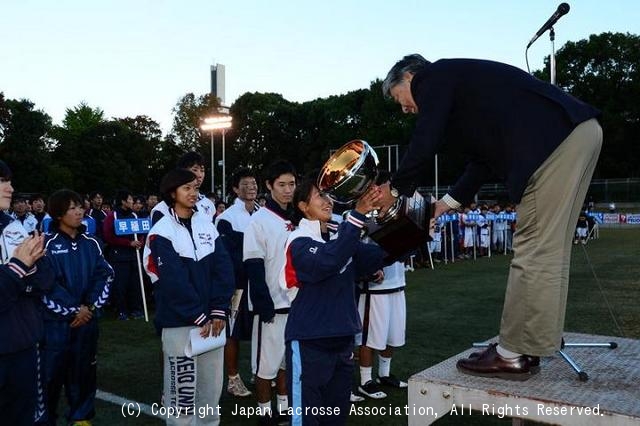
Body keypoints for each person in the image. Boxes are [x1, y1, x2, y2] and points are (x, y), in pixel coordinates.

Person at [378, 54, 602, 380]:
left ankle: (510, 354)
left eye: (400, 98)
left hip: (553, 144)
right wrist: (443, 205)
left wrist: (395, 191)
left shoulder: (432, 76)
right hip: (577, 134)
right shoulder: (464, 93)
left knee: (533, 248)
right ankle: (529, 347)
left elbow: (425, 139)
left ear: (410, 78)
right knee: (549, 250)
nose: (405, 109)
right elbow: (481, 164)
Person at [280, 179, 384, 425]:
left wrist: (416, 230)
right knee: (307, 419)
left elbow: (378, 256)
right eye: (319, 196)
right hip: (309, 342)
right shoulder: (298, 240)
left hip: (342, 340)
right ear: (303, 206)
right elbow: (329, 261)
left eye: (328, 196)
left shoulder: (338, 236)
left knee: (335, 419)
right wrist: (357, 214)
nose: (328, 201)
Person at [144, 169, 234, 426]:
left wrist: (218, 309)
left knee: (209, 397)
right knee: (181, 401)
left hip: (212, 323)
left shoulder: (207, 224)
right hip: (180, 323)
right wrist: (198, 313)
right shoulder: (161, 231)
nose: (193, 193)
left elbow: (223, 268)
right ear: (172, 193)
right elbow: (172, 280)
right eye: (186, 188)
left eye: (195, 188)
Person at [36, 189, 114, 426]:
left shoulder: (92, 243)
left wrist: (88, 307)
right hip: (54, 326)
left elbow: (105, 275)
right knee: (50, 376)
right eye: (72, 207)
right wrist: (73, 310)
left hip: (87, 323)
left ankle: (81, 416)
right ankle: (45, 419)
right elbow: (44, 285)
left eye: (80, 206)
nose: (79, 211)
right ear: (58, 214)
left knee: (84, 372)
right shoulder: (45, 244)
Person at [243, 161, 297, 425]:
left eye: (292, 184)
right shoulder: (259, 220)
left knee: (286, 362)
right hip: (272, 305)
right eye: (282, 185)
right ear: (269, 186)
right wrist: (264, 304)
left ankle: (284, 407)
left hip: (296, 304)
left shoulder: (297, 218)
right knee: (266, 365)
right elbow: (253, 265)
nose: (288, 190)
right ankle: (264, 412)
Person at [0, 160, 54, 426]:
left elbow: (45, 277)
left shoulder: (13, 227)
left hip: (23, 345)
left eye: (9, 180)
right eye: (2, 181)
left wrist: (19, 278)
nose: (10, 188)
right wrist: (18, 269)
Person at [215, 168, 260, 398]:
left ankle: (260, 373)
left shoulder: (263, 213)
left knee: (262, 329)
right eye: (245, 183)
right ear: (235, 188)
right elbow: (229, 256)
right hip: (238, 285)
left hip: (261, 283)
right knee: (232, 332)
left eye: (253, 183)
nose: (251, 187)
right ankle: (233, 379)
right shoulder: (226, 217)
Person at [356, 261, 408, 400]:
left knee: (392, 334)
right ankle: (365, 381)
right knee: (370, 336)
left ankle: (384, 374)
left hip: (398, 282)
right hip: (375, 287)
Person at [103, 189, 144, 320]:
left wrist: (139, 242)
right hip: (119, 256)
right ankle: (121, 310)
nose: (132, 202)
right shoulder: (112, 216)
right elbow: (108, 236)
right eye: (131, 199)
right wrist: (128, 243)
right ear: (123, 201)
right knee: (120, 284)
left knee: (135, 283)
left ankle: (136, 309)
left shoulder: (134, 216)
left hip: (134, 255)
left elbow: (142, 231)